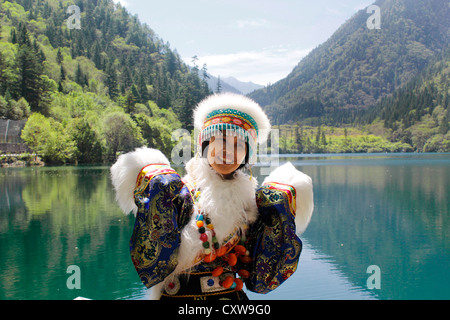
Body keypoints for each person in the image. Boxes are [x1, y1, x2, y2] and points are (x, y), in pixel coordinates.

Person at [111, 93, 314, 300]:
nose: (227, 152)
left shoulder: (252, 206)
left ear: (247, 155)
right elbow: (152, 261)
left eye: (238, 145)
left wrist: (279, 209)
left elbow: (259, 275)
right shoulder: (178, 194)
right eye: (221, 141)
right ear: (205, 145)